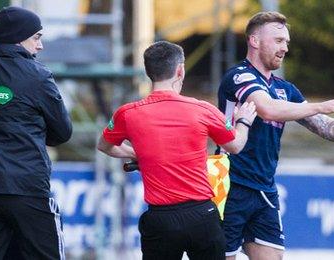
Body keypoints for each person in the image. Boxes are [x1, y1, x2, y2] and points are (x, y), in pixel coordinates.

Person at [217, 11, 334, 260]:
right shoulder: (240, 76)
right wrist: (319, 105)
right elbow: (267, 108)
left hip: (264, 189)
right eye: (278, 40)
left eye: (287, 42)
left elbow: (321, 125)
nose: (284, 48)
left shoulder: (285, 89)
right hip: (231, 186)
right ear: (254, 40)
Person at [97, 41, 257, 260]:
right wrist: (244, 121)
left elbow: (105, 146)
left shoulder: (127, 113)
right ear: (180, 70)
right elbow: (236, 145)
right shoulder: (203, 109)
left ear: (148, 72)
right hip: (201, 215)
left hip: (160, 219)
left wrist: (138, 153)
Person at [0, 6, 72, 259]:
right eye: (37, 37)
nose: (40, 46)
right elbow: (62, 132)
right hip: (28, 189)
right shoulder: (39, 77)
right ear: (19, 37)